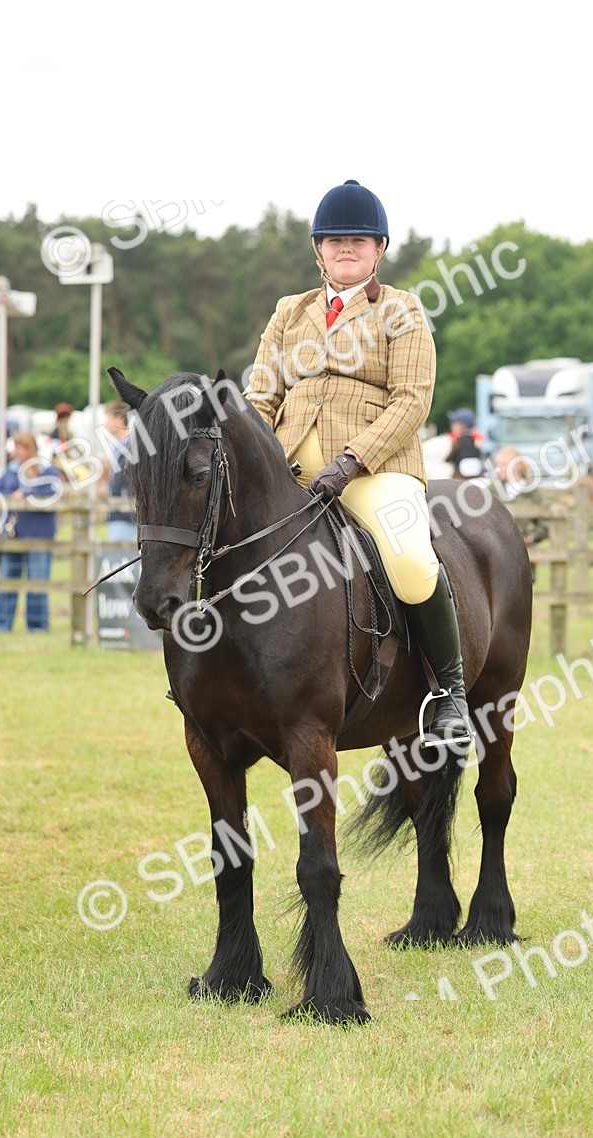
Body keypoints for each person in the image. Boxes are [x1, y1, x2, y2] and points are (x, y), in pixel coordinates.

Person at [244, 179, 470, 745]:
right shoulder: (289, 312)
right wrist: (251, 453)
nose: (346, 248)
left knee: (411, 557)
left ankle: (450, 693)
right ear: (318, 250)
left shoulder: (402, 310)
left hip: (374, 467)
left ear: (379, 249)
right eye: (335, 240)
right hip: (289, 464)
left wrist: (351, 461)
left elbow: (412, 400)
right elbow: (262, 395)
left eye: (358, 240)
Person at [0, 432, 60, 633]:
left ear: (30, 449)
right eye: (16, 447)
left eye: (21, 447)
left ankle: (37, 626)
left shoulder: (46, 470)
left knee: (37, 582)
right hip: (14, 535)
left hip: (39, 535)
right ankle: (1, 625)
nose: (17, 452)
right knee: (7, 580)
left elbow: (53, 492)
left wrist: (27, 493)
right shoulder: (11, 471)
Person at [491, 446, 548, 581]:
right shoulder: (492, 491)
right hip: (497, 554)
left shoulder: (532, 493)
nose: (499, 469)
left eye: (504, 464)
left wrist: (531, 538)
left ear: (516, 466)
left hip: (524, 554)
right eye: (498, 465)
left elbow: (545, 524)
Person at [100, 401, 136, 543]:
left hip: (125, 515)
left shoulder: (130, 448)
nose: (106, 423)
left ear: (119, 419)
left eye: (109, 418)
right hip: (119, 513)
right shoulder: (120, 448)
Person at [445, 409, 483, 479]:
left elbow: (447, 459)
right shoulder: (476, 440)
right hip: (476, 477)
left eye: (455, 424)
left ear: (463, 426)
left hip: (460, 478)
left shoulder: (458, 442)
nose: (452, 427)